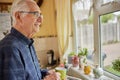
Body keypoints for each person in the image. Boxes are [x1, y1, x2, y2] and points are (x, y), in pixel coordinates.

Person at [0, 0, 60, 80]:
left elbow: (32, 75)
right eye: (35, 14)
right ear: (18, 16)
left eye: (40, 15)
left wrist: (46, 73)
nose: (40, 20)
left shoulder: (27, 42)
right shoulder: (10, 48)